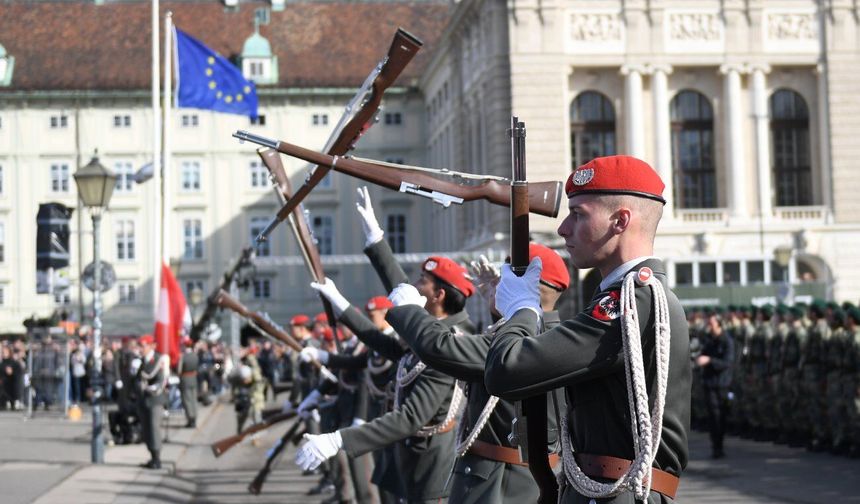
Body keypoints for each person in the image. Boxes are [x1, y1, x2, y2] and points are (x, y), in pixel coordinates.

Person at [485, 155, 691, 503]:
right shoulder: (626, 298)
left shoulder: (630, 302)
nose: (563, 228)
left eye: (579, 214)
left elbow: (506, 369)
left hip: (619, 494)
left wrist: (520, 309)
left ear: (620, 221)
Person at [378, 243, 569, 504]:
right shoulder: (554, 334)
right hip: (511, 480)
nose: (501, 285)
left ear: (529, 288)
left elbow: (442, 349)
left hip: (499, 486)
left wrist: (409, 310)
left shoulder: (525, 341)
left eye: (507, 280)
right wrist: (500, 308)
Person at [696, 310, 734, 458]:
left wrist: (710, 360)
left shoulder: (726, 341)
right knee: (713, 415)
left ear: (719, 324)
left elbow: (727, 362)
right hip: (710, 382)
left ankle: (720, 443)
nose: (709, 326)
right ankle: (716, 446)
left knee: (721, 415)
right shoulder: (708, 340)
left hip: (722, 383)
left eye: (712, 323)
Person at [136, 334, 167, 469]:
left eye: (143, 346)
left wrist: (149, 387)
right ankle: (152, 456)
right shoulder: (143, 361)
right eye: (140, 346)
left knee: (154, 429)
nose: (141, 349)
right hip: (144, 400)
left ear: (152, 346)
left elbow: (161, 380)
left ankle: (157, 459)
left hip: (155, 399)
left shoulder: (158, 360)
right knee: (147, 430)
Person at [177, 337, 199, 428]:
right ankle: (194, 416)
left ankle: (191, 418)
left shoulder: (183, 356)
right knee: (194, 399)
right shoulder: (195, 355)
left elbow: (179, 370)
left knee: (187, 400)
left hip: (185, 378)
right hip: (193, 378)